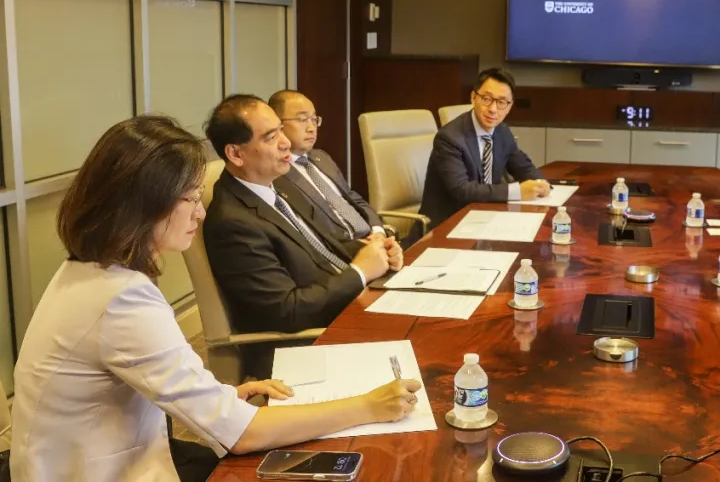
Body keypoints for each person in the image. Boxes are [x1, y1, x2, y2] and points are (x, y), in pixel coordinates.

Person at [10, 115, 421, 482]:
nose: (200, 212)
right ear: (145, 202)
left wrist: (220, 397)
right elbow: (243, 435)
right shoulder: (121, 298)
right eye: (190, 197)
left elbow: (153, 372)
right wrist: (369, 406)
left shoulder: (92, 271)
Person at [202, 94, 403, 379]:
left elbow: (324, 246)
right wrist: (360, 272)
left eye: (280, 130)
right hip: (304, 344)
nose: (285, 142)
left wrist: (378, 250)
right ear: (236, 154)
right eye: (270, 137)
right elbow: (288, 311)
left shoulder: (276, 186)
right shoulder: (233, 222)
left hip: (345, 310)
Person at [419, 67, 549, 229]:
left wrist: (540, 183)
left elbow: (523, 166)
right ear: (473, 98)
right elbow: (462, 191)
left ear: (509, 106)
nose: (493, 109)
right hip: (447, 225)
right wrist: (517, 191)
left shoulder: (502, 132)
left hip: (486, 220)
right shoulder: (449, 138)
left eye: (501, 102)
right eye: (487, 99)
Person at [269, 89, 387, 247]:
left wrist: (378, 231)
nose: (311, 128)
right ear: (278, 125)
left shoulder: (321, 157)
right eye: (303, 119)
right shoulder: (275, 173)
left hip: (373, 241)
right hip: (342, 251)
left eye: (314, 119)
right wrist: (360, 247)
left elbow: (353, 198)